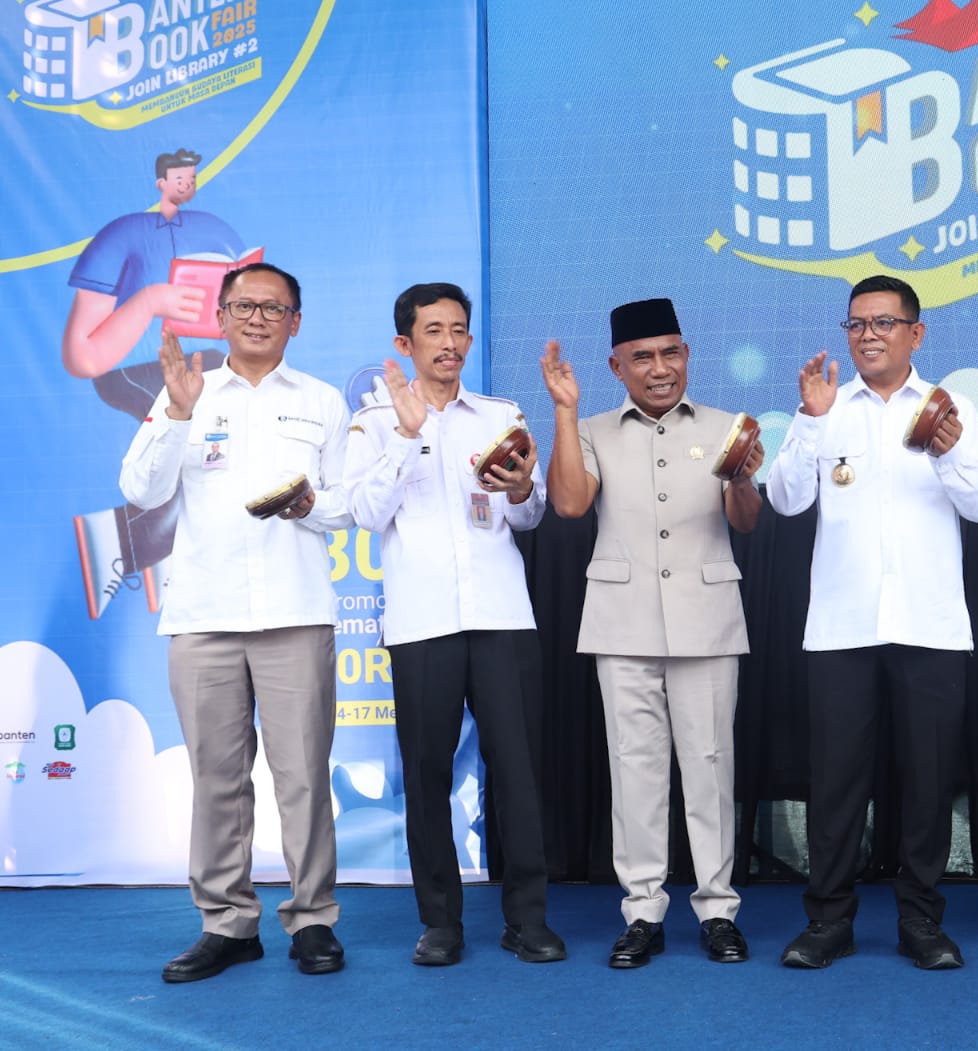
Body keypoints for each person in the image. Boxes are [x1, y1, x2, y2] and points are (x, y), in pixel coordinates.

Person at [119, 263, 351, 982]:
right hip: (204, 614)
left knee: (303, 777)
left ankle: (313, 919)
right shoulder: (186, 392)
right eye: (244, 306)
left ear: (295, 322)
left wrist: (310, 506)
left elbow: (350, 503)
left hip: (295, 611)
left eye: (273, 308)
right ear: (220, 317)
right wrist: (177, 413)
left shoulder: (321, 401)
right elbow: (140, 490)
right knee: (217, 779)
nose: (257, 318)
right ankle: (227, 923)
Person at [767, 274, 978, 970]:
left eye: (884, 323)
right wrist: (809, 420)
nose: (868, 335)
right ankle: (828, 921)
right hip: (842, 628)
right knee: (837, 782)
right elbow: (784, 500)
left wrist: (949, 451)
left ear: (915, 333)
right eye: (856, 324)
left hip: (930, 626)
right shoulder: (825, 407)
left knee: (927, 782)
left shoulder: (951, 408)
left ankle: (921, 921)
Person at [345, 283, 563, 967]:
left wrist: (523, 489)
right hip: (422, 623)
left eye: (459, 329)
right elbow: (365, 512)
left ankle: (528, 919)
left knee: (519, 772)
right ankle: (440, 922)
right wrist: (409, 435)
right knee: (427, 774)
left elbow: (529, 515)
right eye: (433, 330)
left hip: (502, 616)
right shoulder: (374, 422)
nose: (449, 343)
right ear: (404, 343)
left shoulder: (500, 415)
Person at [541, 297, 763, 967]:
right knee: (634, 770)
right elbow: (569, 503)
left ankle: (718, 909)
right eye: (642, 357)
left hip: (707, 619)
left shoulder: (727, 427)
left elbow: (747, 520)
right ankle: (642, 911)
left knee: (711, 766)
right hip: (623, 621)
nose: (659, 368)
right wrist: (565, 410)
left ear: (687, 355)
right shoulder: (593, 429)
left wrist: (742, 477)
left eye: (670, 353)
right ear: (617, 367)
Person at [69, 148, 251, 619]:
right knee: (182, 462)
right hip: (135, 368)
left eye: (192, 178)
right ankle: (115, 545)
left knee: (212, 467)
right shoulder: (121, 235)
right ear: (160, 182)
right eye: (178, 178)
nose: (186, 186)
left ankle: (139, 557)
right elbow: (81, 352)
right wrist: (150, 301)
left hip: (209, 362)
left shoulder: (216, 230)